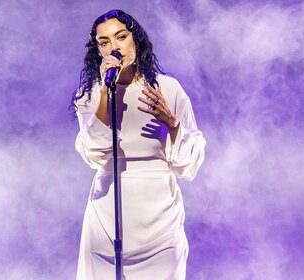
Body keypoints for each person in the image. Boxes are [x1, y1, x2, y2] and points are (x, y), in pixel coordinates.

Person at [72, 9, 206, 280]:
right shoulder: (90, 95)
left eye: (121, 37)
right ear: (98, 50)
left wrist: (171, 122)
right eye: (104, 42)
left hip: (159, 216)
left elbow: (187, 163)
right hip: (108, 213)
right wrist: (104, 93)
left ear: (136, 40)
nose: (114, 47)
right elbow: (94, 152)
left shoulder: (168, 89)